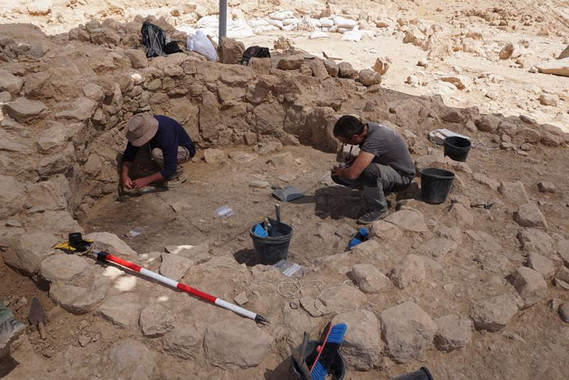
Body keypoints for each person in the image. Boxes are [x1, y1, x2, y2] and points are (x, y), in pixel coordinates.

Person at [331, 115, 415, 224]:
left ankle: (379, 208)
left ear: (355, 137)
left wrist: (343, 171)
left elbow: (352, 174)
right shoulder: (368, 128)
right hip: (387, 168)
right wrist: (353, 162)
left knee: (369, 171)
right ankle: (377, 190)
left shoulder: (375, 139)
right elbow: (371, 154)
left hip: (402, 177)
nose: (346, 145)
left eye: (346, 142)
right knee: (336, 176)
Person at [120, 113, 196, 190]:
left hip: (184, 150)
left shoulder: (166, 132)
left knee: (156, 153)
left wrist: (145, 181)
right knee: (141, 156)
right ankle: (159, 171)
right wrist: (125, 176)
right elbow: (129, 155)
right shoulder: (138, 130)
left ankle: (178, 174)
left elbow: (170, 168)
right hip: (162, 147)